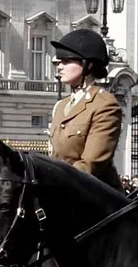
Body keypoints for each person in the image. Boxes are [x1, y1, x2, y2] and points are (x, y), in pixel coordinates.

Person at [46, 27, 122, 187]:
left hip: (93, 199)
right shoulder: (61, 106)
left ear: (88, 65)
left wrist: (52, 181)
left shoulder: (105, 104)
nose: (59, 66)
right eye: (59, 62)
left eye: (66, 61)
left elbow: (91, 164)